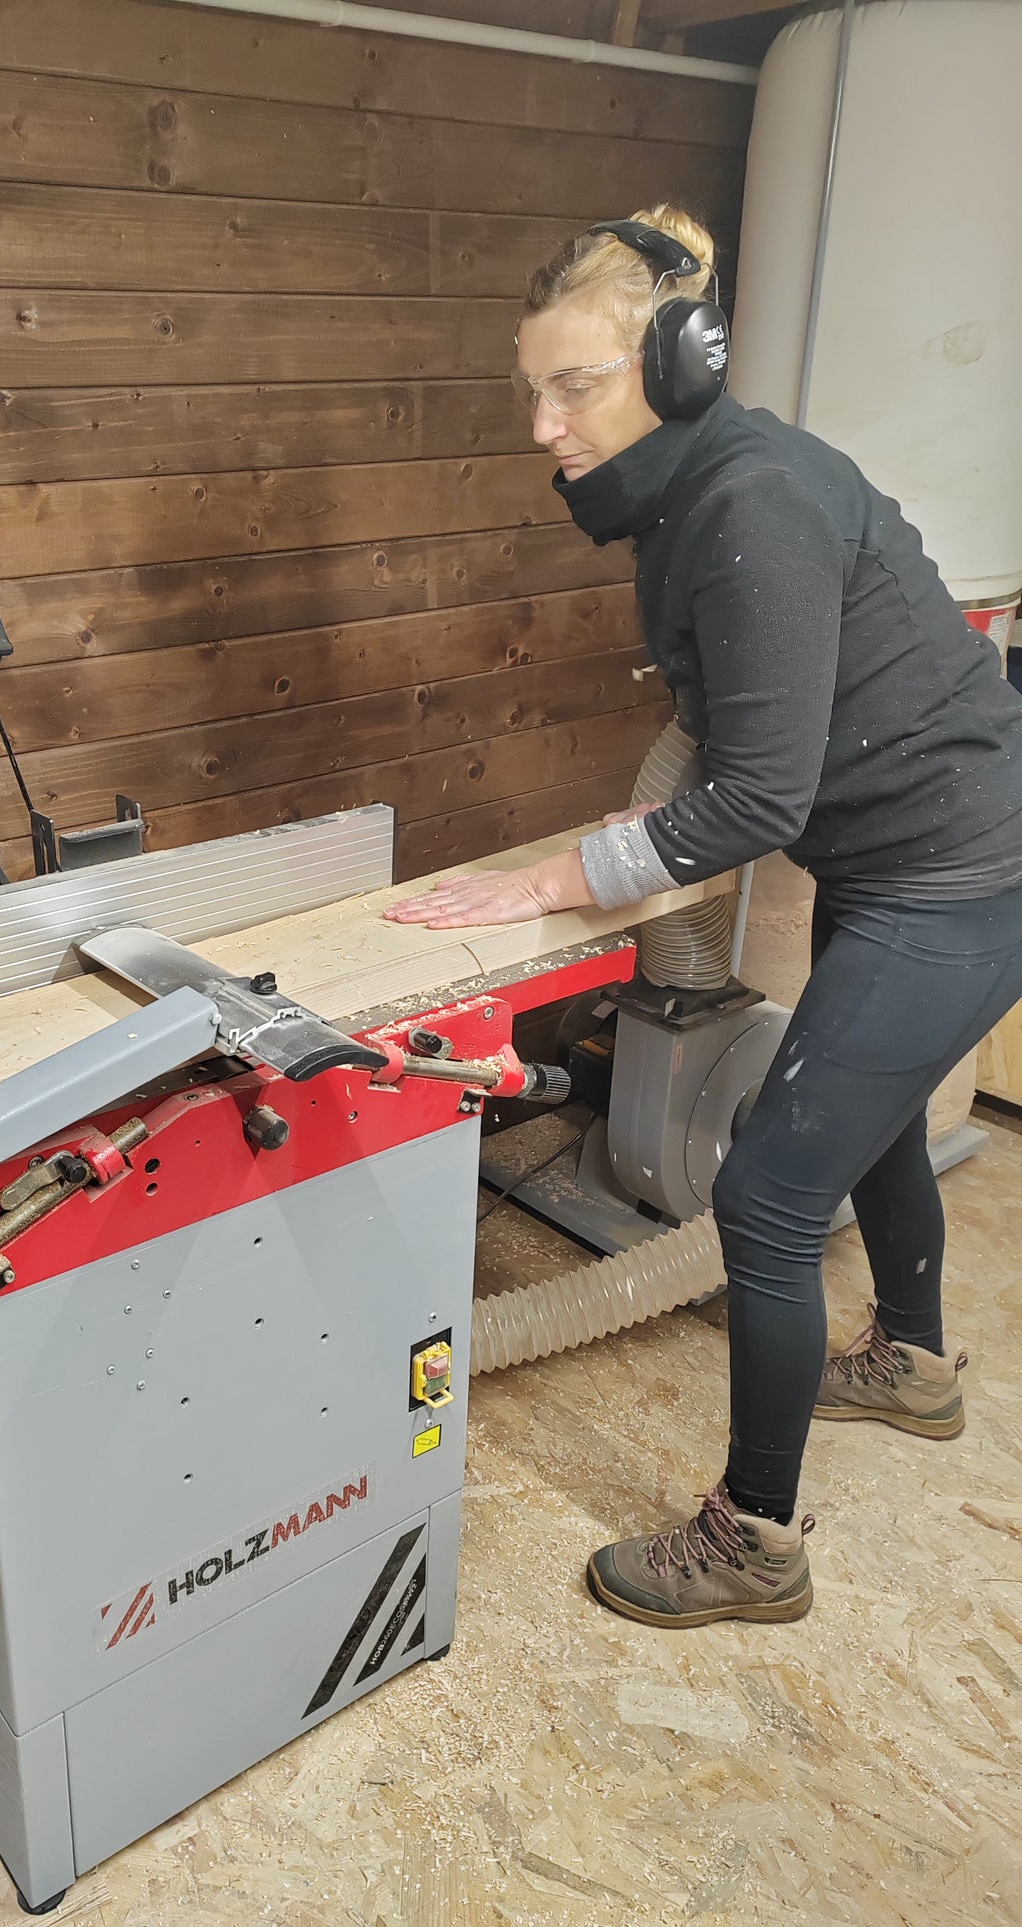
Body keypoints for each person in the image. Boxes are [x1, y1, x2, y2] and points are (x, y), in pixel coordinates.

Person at [386, 204, 1022, 1629]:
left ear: (673, 367)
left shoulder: (748, 503)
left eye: (574, 387)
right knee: (862, 1131)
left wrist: (560, 877)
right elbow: (728, 734)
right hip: (912, 857)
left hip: (958, 877)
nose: (543, 426)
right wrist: (614, 850)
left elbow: (750, 803)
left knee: (766, 1195)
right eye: (531, 391)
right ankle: (912, 1369)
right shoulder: (692, 493)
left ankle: (754, 1544)